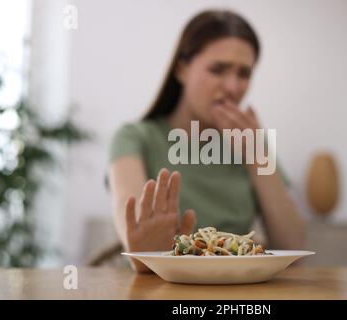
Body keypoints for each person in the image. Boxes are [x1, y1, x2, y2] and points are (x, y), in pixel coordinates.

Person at [108, 10, 305, 272]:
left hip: (238, 290)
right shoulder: (134, 138)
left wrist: (258, 159)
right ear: (182, 69)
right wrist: (147, 250)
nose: (233, 87)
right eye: (218, 69)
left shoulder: (252, 143)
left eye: (244, 73)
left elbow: (294, 248)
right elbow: (133, 232)